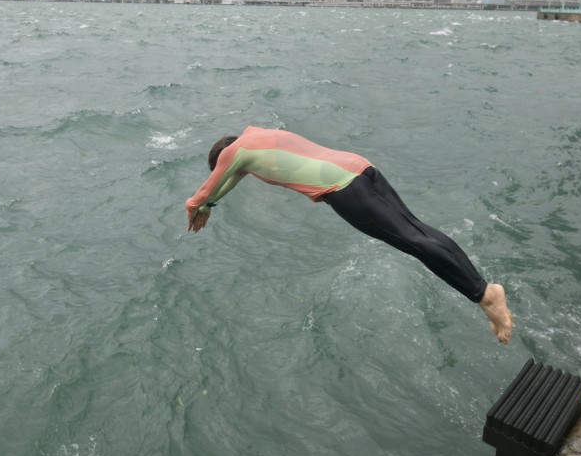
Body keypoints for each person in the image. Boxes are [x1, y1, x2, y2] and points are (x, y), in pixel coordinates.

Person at [185, 126, 513, 344]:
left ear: (223, 158)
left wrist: (199, 208)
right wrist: (213, 202)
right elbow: (225, 184)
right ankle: (485, 292)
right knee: (419, 231)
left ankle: (483, 295)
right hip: (359, 168)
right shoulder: (256, 138)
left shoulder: (233, 155)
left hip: (342, 188)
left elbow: (200, 193)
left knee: (415, 243)